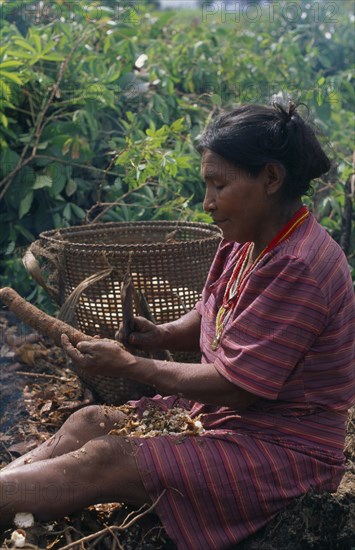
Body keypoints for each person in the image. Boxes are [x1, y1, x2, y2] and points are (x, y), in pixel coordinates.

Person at [1, 102, 354, 549]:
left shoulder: (299, 266)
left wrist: (131, 366)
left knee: (107, 457)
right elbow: (212, 312)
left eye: (218, 184)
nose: (207, 202)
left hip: (283, 452)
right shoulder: (246, 238)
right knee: (90, 420)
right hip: (225, 421)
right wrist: (163, 334)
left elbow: (238, 386)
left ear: (270, 178)